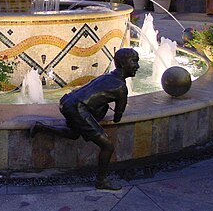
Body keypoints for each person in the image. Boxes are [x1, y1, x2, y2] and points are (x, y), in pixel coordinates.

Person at [30, 48, 140, 190]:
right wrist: (112, 107)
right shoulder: (121, 88)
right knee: (107, 146)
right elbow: (118, 118)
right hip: (77, 109)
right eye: (134, 62)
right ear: (124, 64)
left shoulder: (105, 76)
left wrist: (102, 106)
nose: (137, 66)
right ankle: (101, 181)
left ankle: (41, 127)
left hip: (66, 102)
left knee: (74, 134)